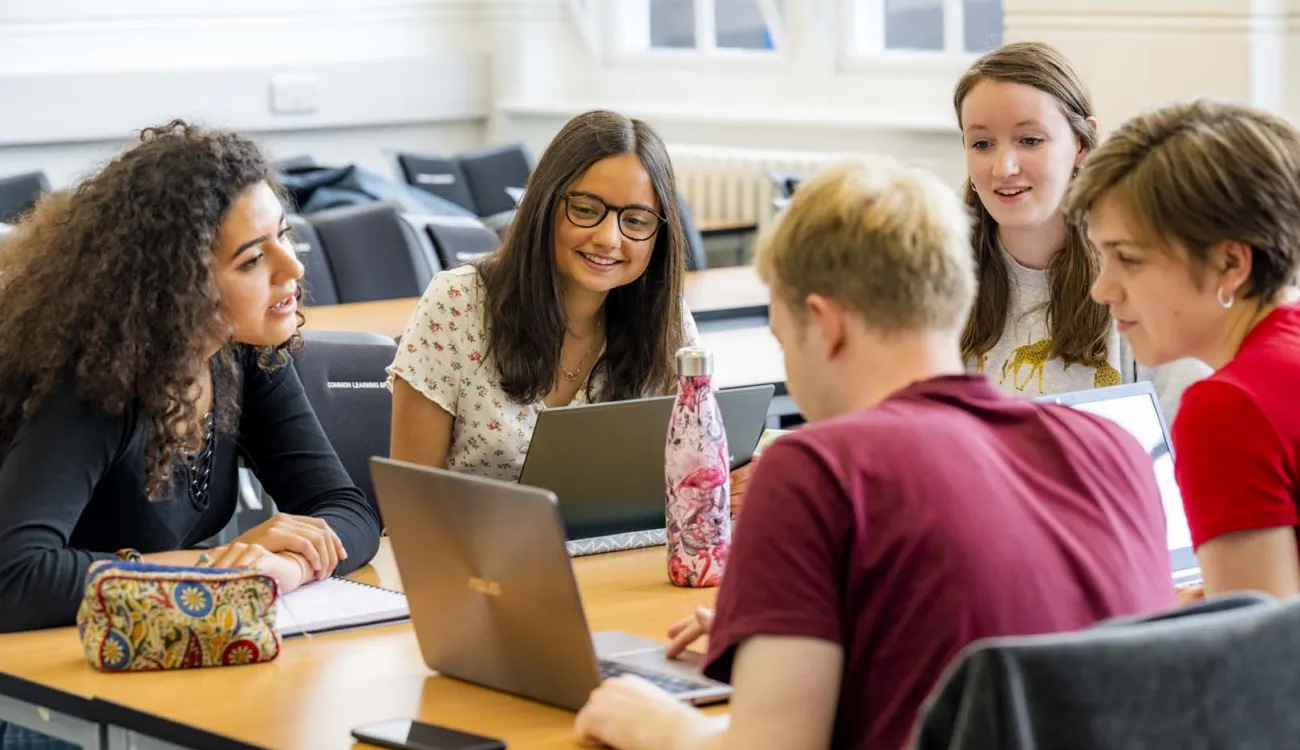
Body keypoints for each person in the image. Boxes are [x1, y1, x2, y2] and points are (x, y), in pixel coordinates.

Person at [572, 155, 1178, 750]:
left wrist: (656, 723)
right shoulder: (1115, 449)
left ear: (826, 324)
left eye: (784, 340)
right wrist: (781, 637)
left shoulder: (816, 472)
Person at [0, 121, 382, 638]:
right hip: (44, 684)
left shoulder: (242, 354)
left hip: (148, 649)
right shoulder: (95, 379)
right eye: (252, 259)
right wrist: (215, 568)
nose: (290, 267)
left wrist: (284, 569)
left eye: (284, 236)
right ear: (178, 284)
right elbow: (16, 579)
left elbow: (346, 510)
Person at [1068, 99, 1300, 603]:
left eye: (1128, 258)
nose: (1102, 289)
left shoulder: (1229, 409)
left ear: (1230, 264)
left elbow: (1258, 660)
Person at [388, 110, 698, 481]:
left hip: (624, 541)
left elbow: (693, 474)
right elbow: (411, 496)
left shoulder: (667, 319)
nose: (608, 239)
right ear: (545, 205)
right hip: (470, 538)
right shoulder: (458, 303)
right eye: (585, 210)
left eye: (635, 221)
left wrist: (736, 477)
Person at [954, 41, 1206, 416]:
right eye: (982, 143)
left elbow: (1180, 450)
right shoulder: (939, 278)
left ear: (1082, 144)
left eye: (1030, 140)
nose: (1003, 167)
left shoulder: (1145, 278)